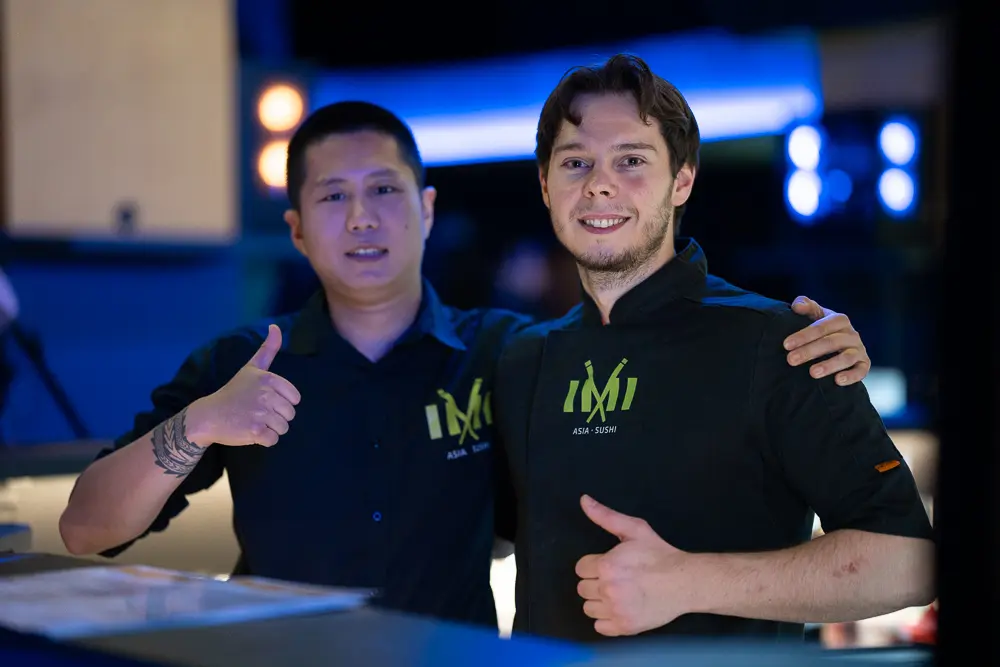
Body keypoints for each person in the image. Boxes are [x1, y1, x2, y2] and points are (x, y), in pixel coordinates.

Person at [58, 101, 874, 631]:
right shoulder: (242, 361)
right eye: (333, 196)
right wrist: (202, 421)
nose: (362, 217)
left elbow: (656, 380)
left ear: (426, 208)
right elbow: (87, 527)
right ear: (298, 228)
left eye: (385, 190)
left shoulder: (510, 351)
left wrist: (798, 345)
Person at [492, 54, 935, 643]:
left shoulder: (780, 343)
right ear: (546, 185)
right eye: (576, 162)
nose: (599, 183)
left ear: (682, 180)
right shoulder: (521, 360)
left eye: (631, 160)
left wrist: (688, 583)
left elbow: (907, 561)